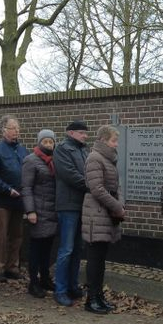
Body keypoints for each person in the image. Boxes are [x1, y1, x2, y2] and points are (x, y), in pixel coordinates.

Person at [81, 125, 125, 315]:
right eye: (114, 140)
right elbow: (97, 189)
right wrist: (116, 206)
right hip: (96, 214)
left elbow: (117, 186)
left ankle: (99, 296)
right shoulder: (95, 158)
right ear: (104, 140)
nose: (116, 144)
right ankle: (91, 299)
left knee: (101, 260)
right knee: (94, 259)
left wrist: (119, 204)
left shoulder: (107, 159)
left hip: (106, 214)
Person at [53, 120, 89, 307]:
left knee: (77, 249)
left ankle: (72, 286)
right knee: (66, 249)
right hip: (67, 205)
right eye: (82, 133)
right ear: (72, 133)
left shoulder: (84, 150)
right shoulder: (62, 149)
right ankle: (60, 290)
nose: (85, 136)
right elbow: (69, 174)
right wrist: (91, 186)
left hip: (81, 204)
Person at [0, 115, 27, 282]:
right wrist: (6, 189)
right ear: (4, 131)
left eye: (17, 128)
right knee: (1, 235)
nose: (16, 131)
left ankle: (13, 266)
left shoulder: (22, 150)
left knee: (17, 235)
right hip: (3, 200)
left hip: (20, 200)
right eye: (12, 128)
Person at [21, 129, 58, 298]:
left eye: (51, 142)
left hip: (52, 211)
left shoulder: (55, 161)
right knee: (36, 249)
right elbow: (26, 187)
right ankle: (33, 282)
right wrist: (30, 210)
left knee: (47, 248)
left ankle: (45, 278)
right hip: (38, 211)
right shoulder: (31, 161)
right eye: (46, 142)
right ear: (39, 142)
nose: (49, 145)